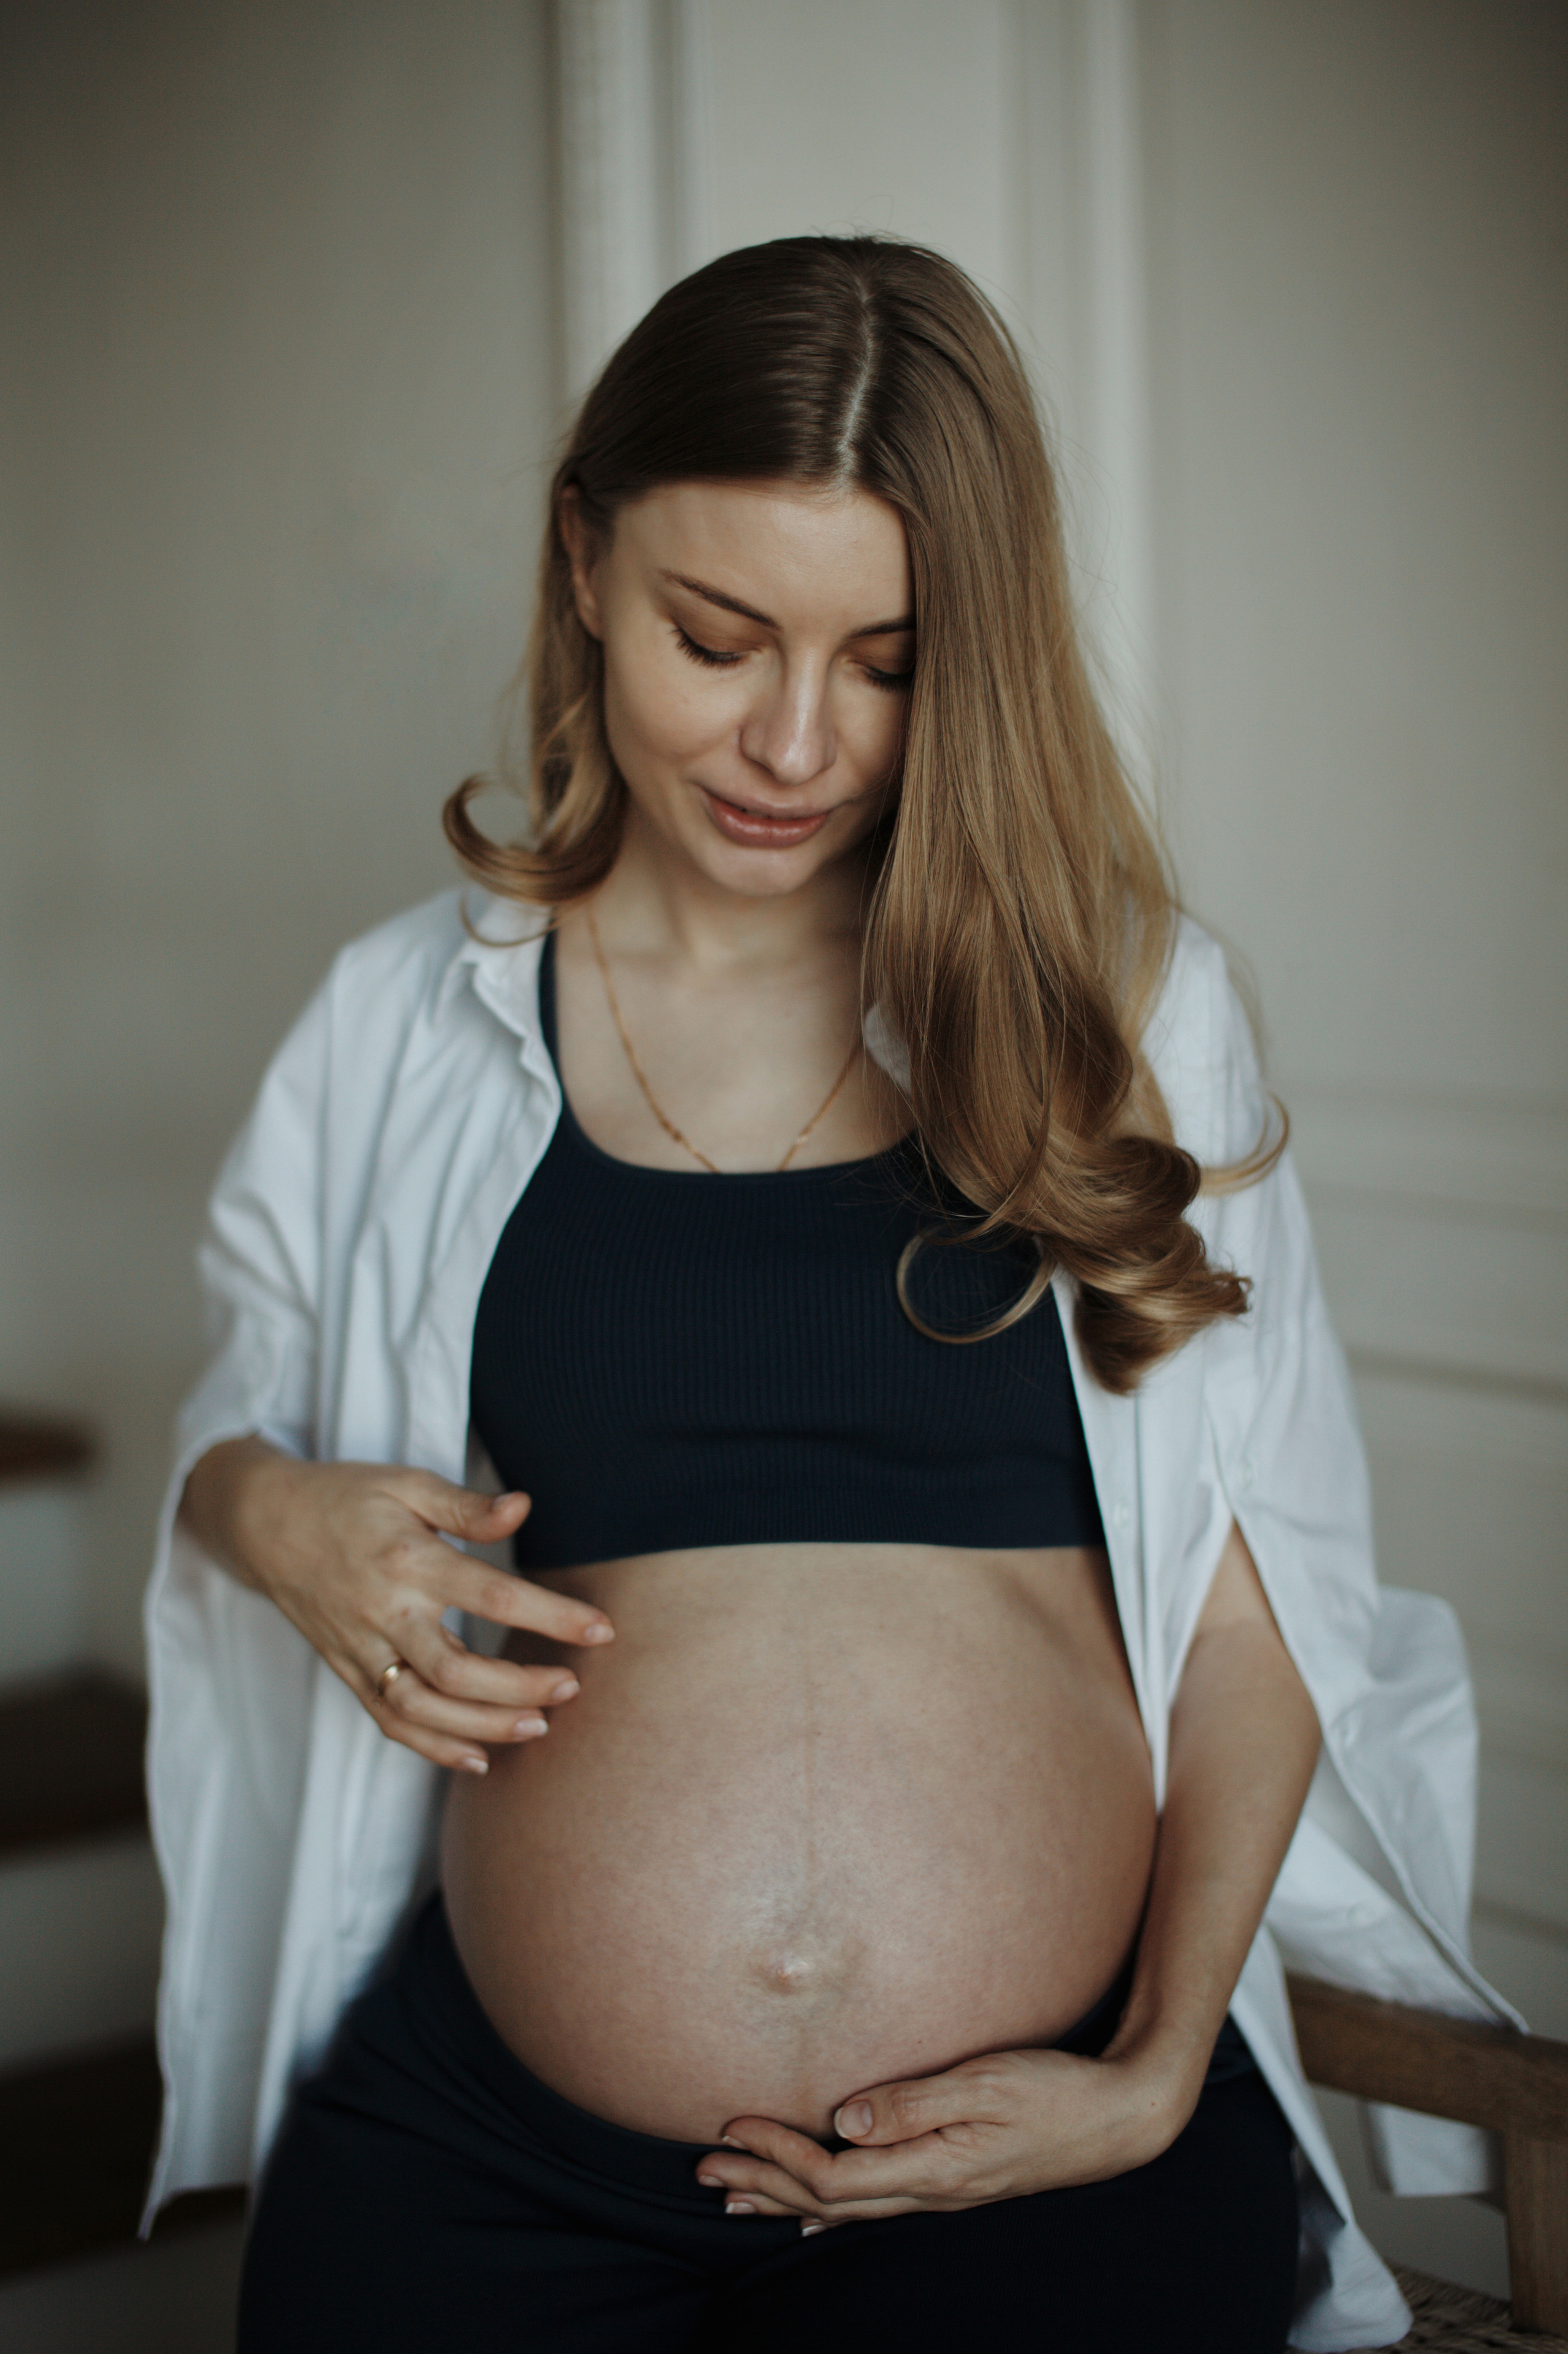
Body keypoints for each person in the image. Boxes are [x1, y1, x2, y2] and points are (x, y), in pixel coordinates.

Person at [145, 237, 1504, 2353]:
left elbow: (1266, 1598)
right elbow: (237, 1430)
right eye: (718, 636)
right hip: (494, 2167)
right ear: (584, 562)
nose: (796, 740)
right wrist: (272, 1519)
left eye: (888, 658)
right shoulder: (404, 1020)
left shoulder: (1131, 1011)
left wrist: (1151, 2075)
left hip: (1036, 2153)